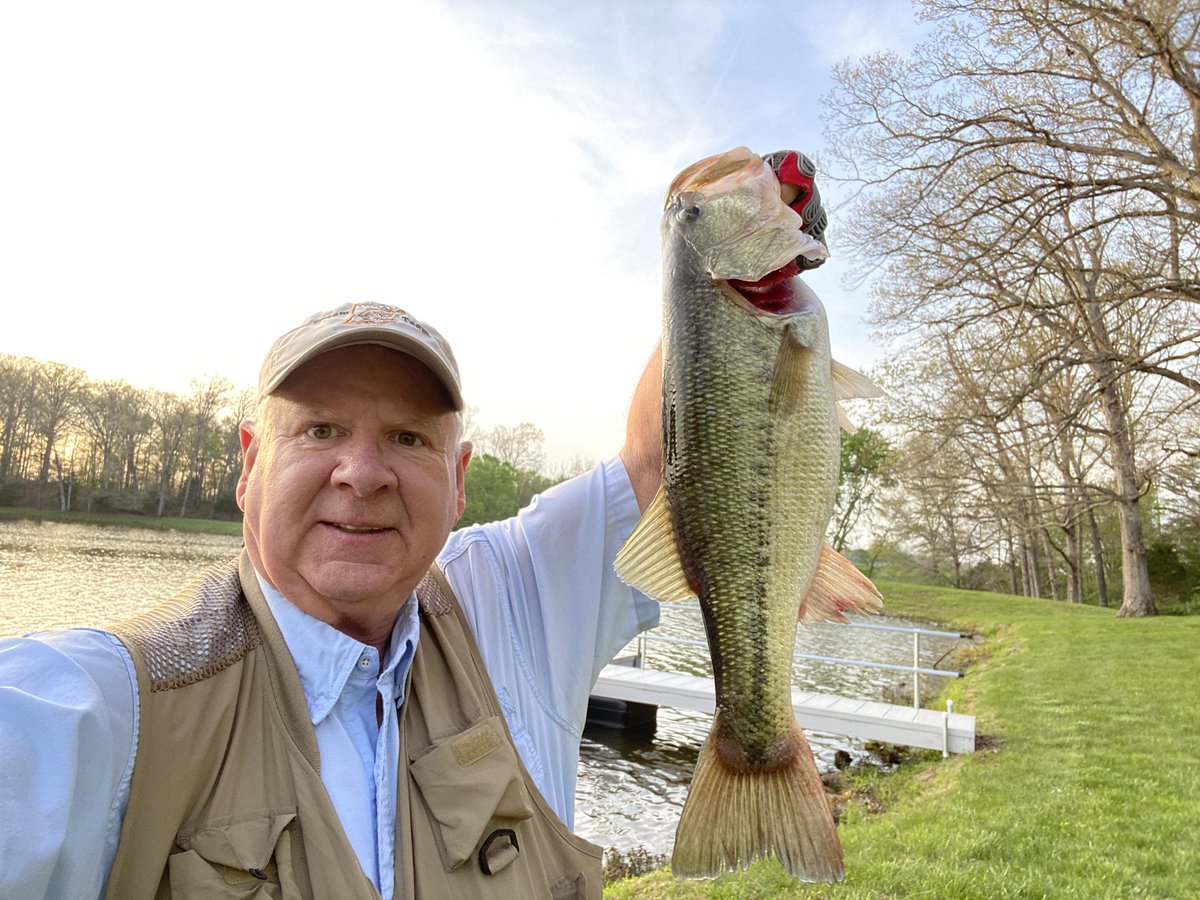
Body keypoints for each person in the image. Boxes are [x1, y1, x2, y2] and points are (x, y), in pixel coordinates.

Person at [0, 301, 664, 899]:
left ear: (457, 481)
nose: (364, 473)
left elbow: (659, 463)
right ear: (250, 462)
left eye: (409, 438)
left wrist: (739, 259)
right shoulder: (115, 704)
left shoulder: (509, 602)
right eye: (320, 431)